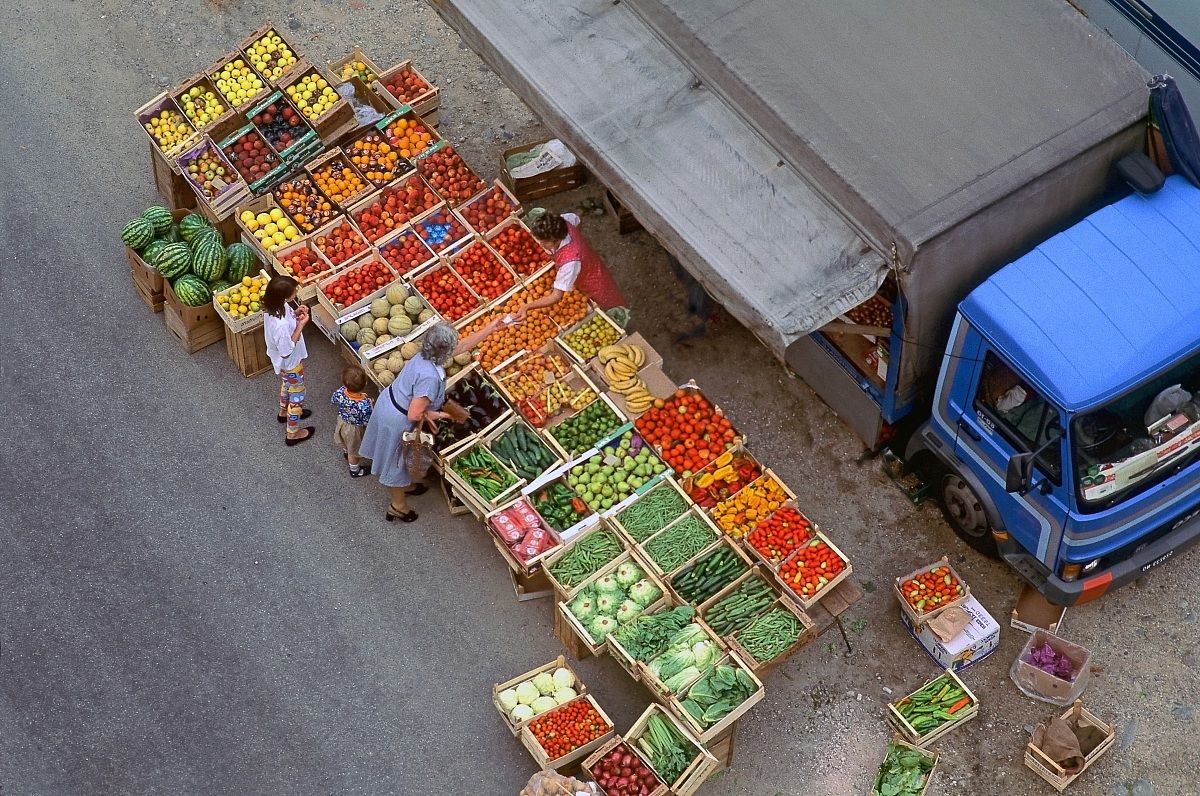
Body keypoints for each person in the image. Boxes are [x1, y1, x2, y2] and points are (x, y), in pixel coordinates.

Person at [358, 318, 504, 522]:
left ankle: (406, 485)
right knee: (396, 462)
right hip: (398, 418)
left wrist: (491, 328)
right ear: (443, 351)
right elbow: (414, 414)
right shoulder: (429, 377)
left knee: (396, 458)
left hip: (391, 402)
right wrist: (441, 414)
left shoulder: (425, 355)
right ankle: (397, 506)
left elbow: (461, 347)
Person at [514, 211, 627, 320]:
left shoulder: (570, 262)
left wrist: (527, 306)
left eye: (544, 242)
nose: (541, 244)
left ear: (556, 239)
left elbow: (556, 296)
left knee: (607, 303)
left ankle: (618, 320)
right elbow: (576, 219)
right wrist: (578, 242)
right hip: (588, 262)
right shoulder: (563, 222)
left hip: (592, 281)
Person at [263, 276, 314, 446]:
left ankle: (283, 413)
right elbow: (286, 351)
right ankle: (293, 433)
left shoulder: (274, 307)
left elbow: (286, 321)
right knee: (298, 396)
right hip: (291, 364)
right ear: (284, 296)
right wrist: (300, 326)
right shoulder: (281, 326)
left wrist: (295, 314)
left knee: (287, 384)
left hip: (283, 366)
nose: (296, 292)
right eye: (294, 291)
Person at [331, 365, 374, 478]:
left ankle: (346, 451)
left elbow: (333, 400)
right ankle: (355, 470)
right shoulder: (364, 404)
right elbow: (367, 420)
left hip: (342, 421)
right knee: (354, 450)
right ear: (365, 384)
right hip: (354, 429)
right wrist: (370, 403)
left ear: (345, 384)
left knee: (344, 439)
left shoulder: (341, 391)